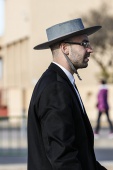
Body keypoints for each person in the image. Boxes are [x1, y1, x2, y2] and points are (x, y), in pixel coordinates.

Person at [27, 18, 107, 170]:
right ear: (65, 48)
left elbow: (83, 156)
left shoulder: (61, 83)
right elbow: (63, 158)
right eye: (84, 43)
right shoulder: (55, 88)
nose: (90, 49)